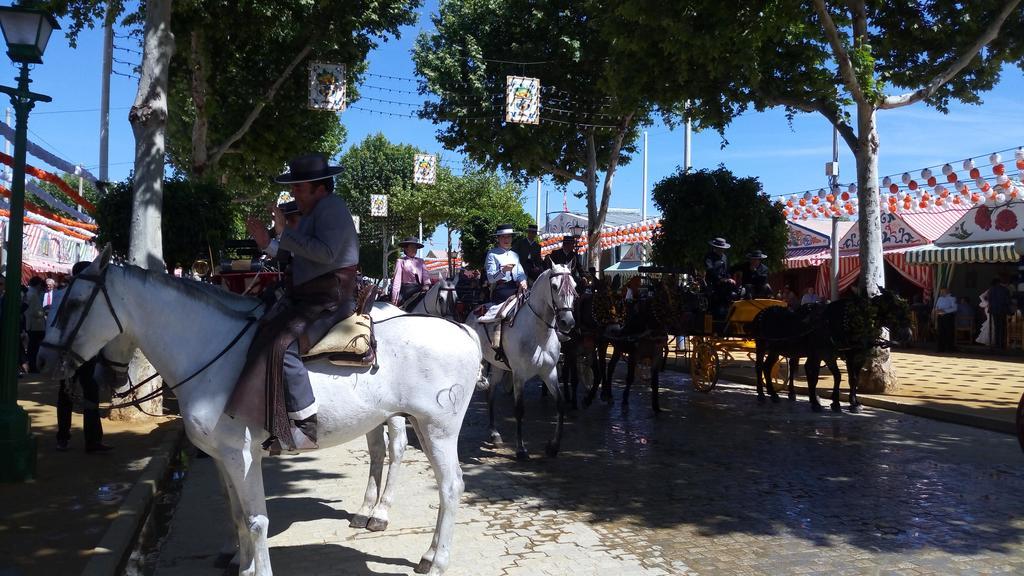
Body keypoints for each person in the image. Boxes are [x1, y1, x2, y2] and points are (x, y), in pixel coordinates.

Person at [228, 153, 360, 451]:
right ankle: (268, 415)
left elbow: (325, 254)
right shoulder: (315, 213)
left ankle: (305, 424)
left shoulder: (332, 208)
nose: (294, 193)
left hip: (331, 299)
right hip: (309, 297)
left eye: (299, 188)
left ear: (320, 189)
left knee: (285, 345)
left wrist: (284, 233)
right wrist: (267, 242)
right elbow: (296, 254)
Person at [52, 261, 112, 453]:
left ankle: (92, 440)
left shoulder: (92, 297)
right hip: (68, 354)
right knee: (66, 394)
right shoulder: (63, 296)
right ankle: (63, 437)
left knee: (90, 393)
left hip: (88, 353)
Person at [485, 224, 528, 303]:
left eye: (508, 236)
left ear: (512, 238)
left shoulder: (515, 255)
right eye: (503, 237)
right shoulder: (492, 254)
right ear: (498, 238)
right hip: (501, 290)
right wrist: (503, 271)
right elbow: (490, 278)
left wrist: (523, 280)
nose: (506, 239)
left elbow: (520, 273)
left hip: (516, 288)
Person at [24, 276, 55, 373]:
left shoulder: (30, 293)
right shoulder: (33, 295)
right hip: (35, 326)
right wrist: (44, 311)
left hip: (33, 326)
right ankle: (33, 367)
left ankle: (33, 366)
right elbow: (34, 312)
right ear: (38, 285)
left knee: (33, 348)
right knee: (34, 348)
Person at [390, 236, 431, 306]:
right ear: (406, 248)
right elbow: (397, 281)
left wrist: (426, 285)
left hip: (420, 289)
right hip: (406, 290)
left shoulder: (421, 261)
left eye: (415, 248)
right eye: (412, 247)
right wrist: (394, 298)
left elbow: (425, 276)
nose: (414, 249)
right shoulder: (401, 261)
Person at [704, 237, 734, 318]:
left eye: (722, 248)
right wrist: (719, 279)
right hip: (712, 282)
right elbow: (710, 269)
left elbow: (727, 270)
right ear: (715, 247)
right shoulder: (709, 256)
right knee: (714, 298)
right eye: (720, 248)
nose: (721, 250)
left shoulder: (725, 257)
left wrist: (729, 279)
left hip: (724, 283)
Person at [987, 276, 1011, 349]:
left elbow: (989, 300)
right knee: (1002, 327)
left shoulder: (991, 290)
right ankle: (1002, 344)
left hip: (994, 310)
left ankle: (997, 343)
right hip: (1002, 310)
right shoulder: (1005, 290)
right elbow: (1007, 301)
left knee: (996, 327)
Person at [934, 287, 957, 353]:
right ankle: (940, 348)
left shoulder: (952, 298)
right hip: (940, 317)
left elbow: (955, 308)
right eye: (941, 292)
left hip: (948, 317)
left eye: (943, 292)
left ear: (947, 291)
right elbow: (936, 307)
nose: (941, 293)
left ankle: (949, 348)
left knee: (948, 332)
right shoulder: (940, 298)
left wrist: (945, 311)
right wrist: (937, 310)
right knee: (940, 332)